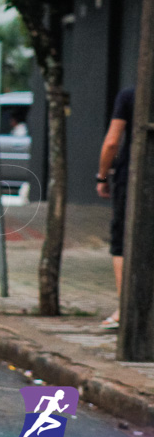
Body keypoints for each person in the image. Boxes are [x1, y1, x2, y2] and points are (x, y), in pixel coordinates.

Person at [96, 86, 134, 330]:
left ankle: (126, 310)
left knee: (121, 242)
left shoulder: (130, 96)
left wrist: (102, 176)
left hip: (131, 176)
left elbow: (112, 142)